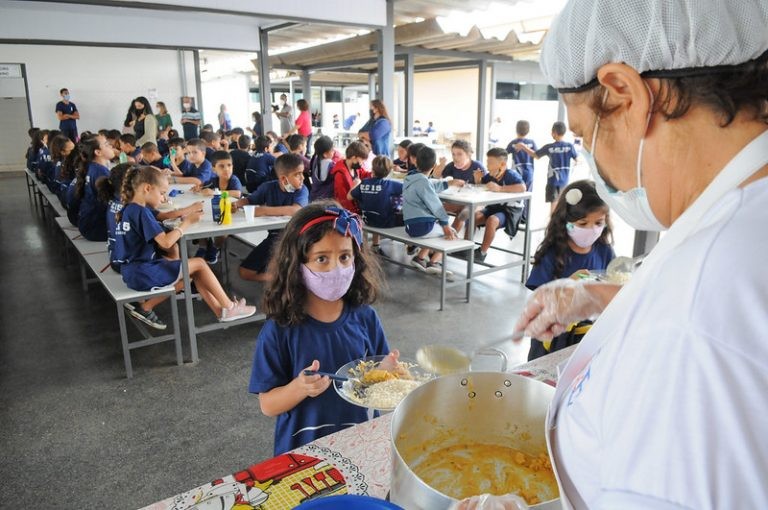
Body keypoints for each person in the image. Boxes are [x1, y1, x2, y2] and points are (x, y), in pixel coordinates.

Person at [507, 1, 768, 508]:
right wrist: (597, 296)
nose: (595, 163)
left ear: (625, 94)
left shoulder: (691, 327)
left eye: (585, 135)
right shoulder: (744, 222)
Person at [248, 203, 395, 455]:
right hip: (303, 453)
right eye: (321, 258)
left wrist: (385, 374)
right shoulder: (280, 328)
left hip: (359, 443)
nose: (335, 269)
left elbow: (375, 377)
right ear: (297, 263)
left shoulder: (365, 317)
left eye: (344, 257)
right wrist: (299, 388)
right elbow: (268, 405)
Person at [114, 165, 256, 324]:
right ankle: (229, 307)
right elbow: (166, 243)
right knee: (200, 263)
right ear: (147, 188)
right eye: (161, 194)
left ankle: (220, 311)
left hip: (133, 271)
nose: (162, 199)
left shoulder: (129, 209)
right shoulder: (141, 211)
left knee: (191, 273)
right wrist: (186, 223)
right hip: (142, 272)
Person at [524, 180, 614, 362]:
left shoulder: (604, 251)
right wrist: (566, 286)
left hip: (587, 336)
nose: (592, 229)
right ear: (566, 221)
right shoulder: (552, 253)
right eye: (583, 223)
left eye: (598, 223)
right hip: (552, 339)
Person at [236, 153, 309, 282]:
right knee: (244, 272)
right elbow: (249, 200)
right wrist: (235, 204)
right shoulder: (268, 187)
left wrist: (264, 210)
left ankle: (283, 281)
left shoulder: (302, 190)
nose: (302, 177)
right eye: (297, 174)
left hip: (295, 239)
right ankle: (280, 279)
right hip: (274, 238)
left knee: (276, 263)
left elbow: (296, 209)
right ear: (284, 179)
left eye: (302, 173)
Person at [403, 146, 464, 277]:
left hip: (410, 226)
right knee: (452, 233)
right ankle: (433, 262)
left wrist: (448, 183)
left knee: (439, 230)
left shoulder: (410, 178)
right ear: (434, 165)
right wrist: (446, 226)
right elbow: (436, 206)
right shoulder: (423, 182)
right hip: (422, 227)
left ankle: (420, 258)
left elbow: (429, 185)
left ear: (416, 162)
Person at [468, 148, 527, 262]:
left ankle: (482, 252)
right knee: (474, 216)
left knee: (492, 220)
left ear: (502, 164)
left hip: (510, 211)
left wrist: (500, 188)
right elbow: (481, 187)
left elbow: (522, 187)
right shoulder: (490, 175)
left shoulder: (510, 174)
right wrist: (478, 179)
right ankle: (465, 247)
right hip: (494, 207)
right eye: (487, 162)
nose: (487, 165)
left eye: (490, 163)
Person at [516, 121, 578, 213]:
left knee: (553, 205)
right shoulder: (569, 146)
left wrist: (523, 147)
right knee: (562, 205)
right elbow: (577, 159)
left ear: (554, 133)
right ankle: (560, 225)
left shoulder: (549, 147)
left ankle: (552, 225)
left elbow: (535, 155)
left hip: (553, 181)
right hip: (564, 182)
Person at [349, 156, 403, 256]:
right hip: (385, 222)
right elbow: (409, 190)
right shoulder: (391, 184)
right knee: (403, 213)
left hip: (368, 220)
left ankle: (375, 245)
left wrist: (356, 184)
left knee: (377, 206)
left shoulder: (364, 182)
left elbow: (349, 197)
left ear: (372, 169)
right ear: (389, 171)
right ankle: (412, 245)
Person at [434, 139, 487, 232]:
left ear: (468, 154)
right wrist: (442, 164)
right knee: (437, 208)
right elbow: (436, 176)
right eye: (453, 154)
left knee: (463, 213)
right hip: (459, 199)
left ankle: (450, 238)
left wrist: (477, 181)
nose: (455, 157)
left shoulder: (477, 166)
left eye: (459, 154)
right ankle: (436, 234)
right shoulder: (452, 165)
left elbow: (485, 190)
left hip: (476, 201)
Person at [74, 135, 115, 241]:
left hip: (88, 223)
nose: (111, 145)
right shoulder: (100, 173)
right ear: (98, 152)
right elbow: (114, 202)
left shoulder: (93, 167)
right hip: (96, 228)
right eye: (106, 144)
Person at [330, 140, 370, 214]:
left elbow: (364, 174)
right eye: (362, 160)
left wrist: (375, 173)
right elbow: (343, 200)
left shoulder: (355, 167)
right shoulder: (340, 174)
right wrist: (356, 214)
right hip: (347, 212)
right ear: (354, 158)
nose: (362, 163)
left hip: (356, 208)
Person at [308, 135, 341, 202]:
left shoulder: (315, 160)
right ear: (325, 154)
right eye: (332, 150)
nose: (334, 152)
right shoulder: (332, 166)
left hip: (313, 198)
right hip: (325, 202)